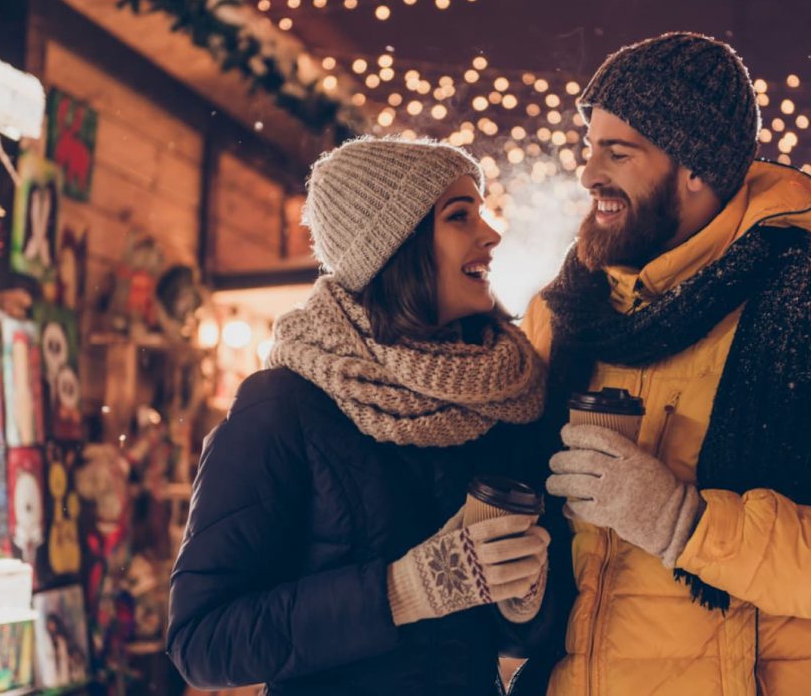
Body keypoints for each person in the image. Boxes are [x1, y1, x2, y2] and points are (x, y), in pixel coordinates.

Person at [521, 31, 811, 695]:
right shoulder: (565, 314)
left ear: (696, 171)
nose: (588, 173)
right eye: (589, 148)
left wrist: (687, 523)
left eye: (618, 151)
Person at [166, 136, 561, 695]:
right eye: (459, 215)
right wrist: (401, 591)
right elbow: (203, 644)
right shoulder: (284, 404)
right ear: (395, 247)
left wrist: (524, 597)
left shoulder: (502, 398)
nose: (491, 234)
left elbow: (520, 643)